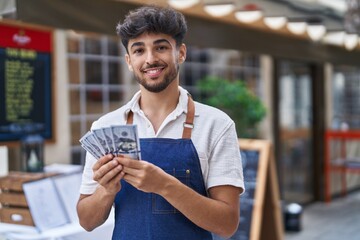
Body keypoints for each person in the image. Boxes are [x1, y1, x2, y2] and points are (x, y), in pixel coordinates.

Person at [77, 5, 244, 240]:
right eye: (139, 50)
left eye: (161, 47)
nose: (150, 59)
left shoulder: (216, 125)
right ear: (128, 60)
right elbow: (86, 221)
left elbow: (227, 224)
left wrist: (164, 185)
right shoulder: (105, 127)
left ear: (181, 53)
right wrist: (107, 190)